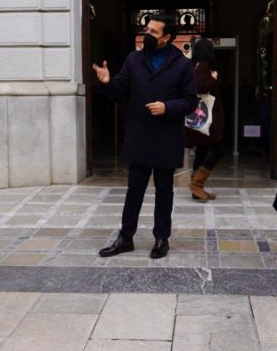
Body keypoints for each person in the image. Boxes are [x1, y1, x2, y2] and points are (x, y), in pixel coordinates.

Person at [94, 14, 197, 259]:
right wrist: (107, 82)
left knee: (164, 190)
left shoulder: (182, 65)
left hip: (166, 136)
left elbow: (191, 101)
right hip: (138, 134)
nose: (146, 34)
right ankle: (125, 238)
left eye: (153, 32)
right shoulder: (134, 59)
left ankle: (161, 238)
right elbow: (119, 89)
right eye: (146, 29)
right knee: (134, 189)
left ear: (167, 37)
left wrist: (167, 107)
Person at [185, 37, 225, 202]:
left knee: (201, 151)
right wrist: (214, 78)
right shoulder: (204, 65)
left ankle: (197, 188)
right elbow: (201, 87)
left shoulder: (194, 64)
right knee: (219, 150)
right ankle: (197, 183)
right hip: (208, 117)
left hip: (200, 116)